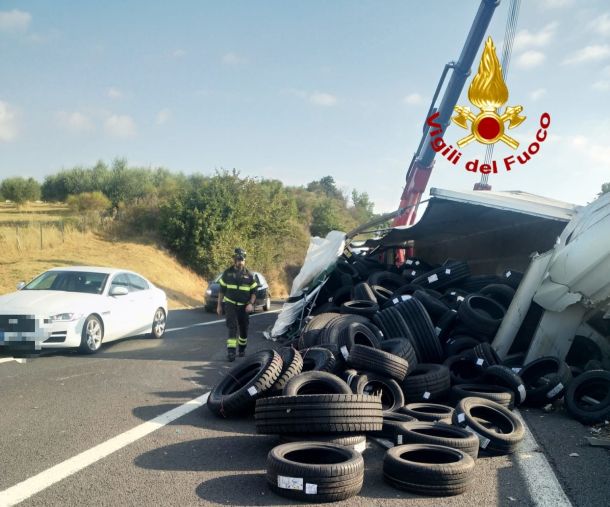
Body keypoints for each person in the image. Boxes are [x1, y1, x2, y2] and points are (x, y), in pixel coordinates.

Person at [217, 247, 258, 361]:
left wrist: (250, 304)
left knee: (243, 329)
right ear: (234, 259)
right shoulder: (227, 273)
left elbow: (254, 292)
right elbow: (221, 291)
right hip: (230, 305)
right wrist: (219, 305)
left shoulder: (249, 275)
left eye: (242, 260)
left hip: (244, 307)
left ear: (245, 260)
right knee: (232, 327)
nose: (240, 262)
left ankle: (242, 349)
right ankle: (231, 352)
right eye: (238, 259)